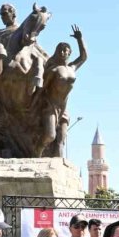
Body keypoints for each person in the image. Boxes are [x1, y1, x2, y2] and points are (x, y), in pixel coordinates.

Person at [32, 25, 87, 157]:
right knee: (50, 136)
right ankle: (36, 154)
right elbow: (41, 89)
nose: (64, 53)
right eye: (61, 50)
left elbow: (83, 57)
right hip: (51, 107)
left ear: (69, 53)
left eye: (66, 51)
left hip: (64, 108)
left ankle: (58, 165)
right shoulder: (54, 70)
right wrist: (32, 104)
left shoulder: (72, 68)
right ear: (57, 52)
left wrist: (80, 39)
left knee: (61, 140)